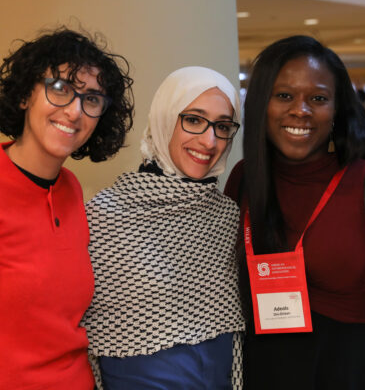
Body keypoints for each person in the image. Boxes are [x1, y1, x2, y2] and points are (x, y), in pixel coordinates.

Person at [0, 28, 134, 389]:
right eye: (60, 88)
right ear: (24, 96)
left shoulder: (71, 190)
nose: (74, 111)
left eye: (91, 99)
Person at [224, 36, 365, 389]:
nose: (301, 111)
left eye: (318, 99)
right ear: (262, 103)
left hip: (352, 374)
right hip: (264, 373)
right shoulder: (245, 180)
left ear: (337, 110)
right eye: (285, 96)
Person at [81, 66, 245, 389]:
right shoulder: (103, 217)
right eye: (194, 120)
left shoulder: (227, 216)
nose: (209, 141)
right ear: (165, 119)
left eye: (223, 126)